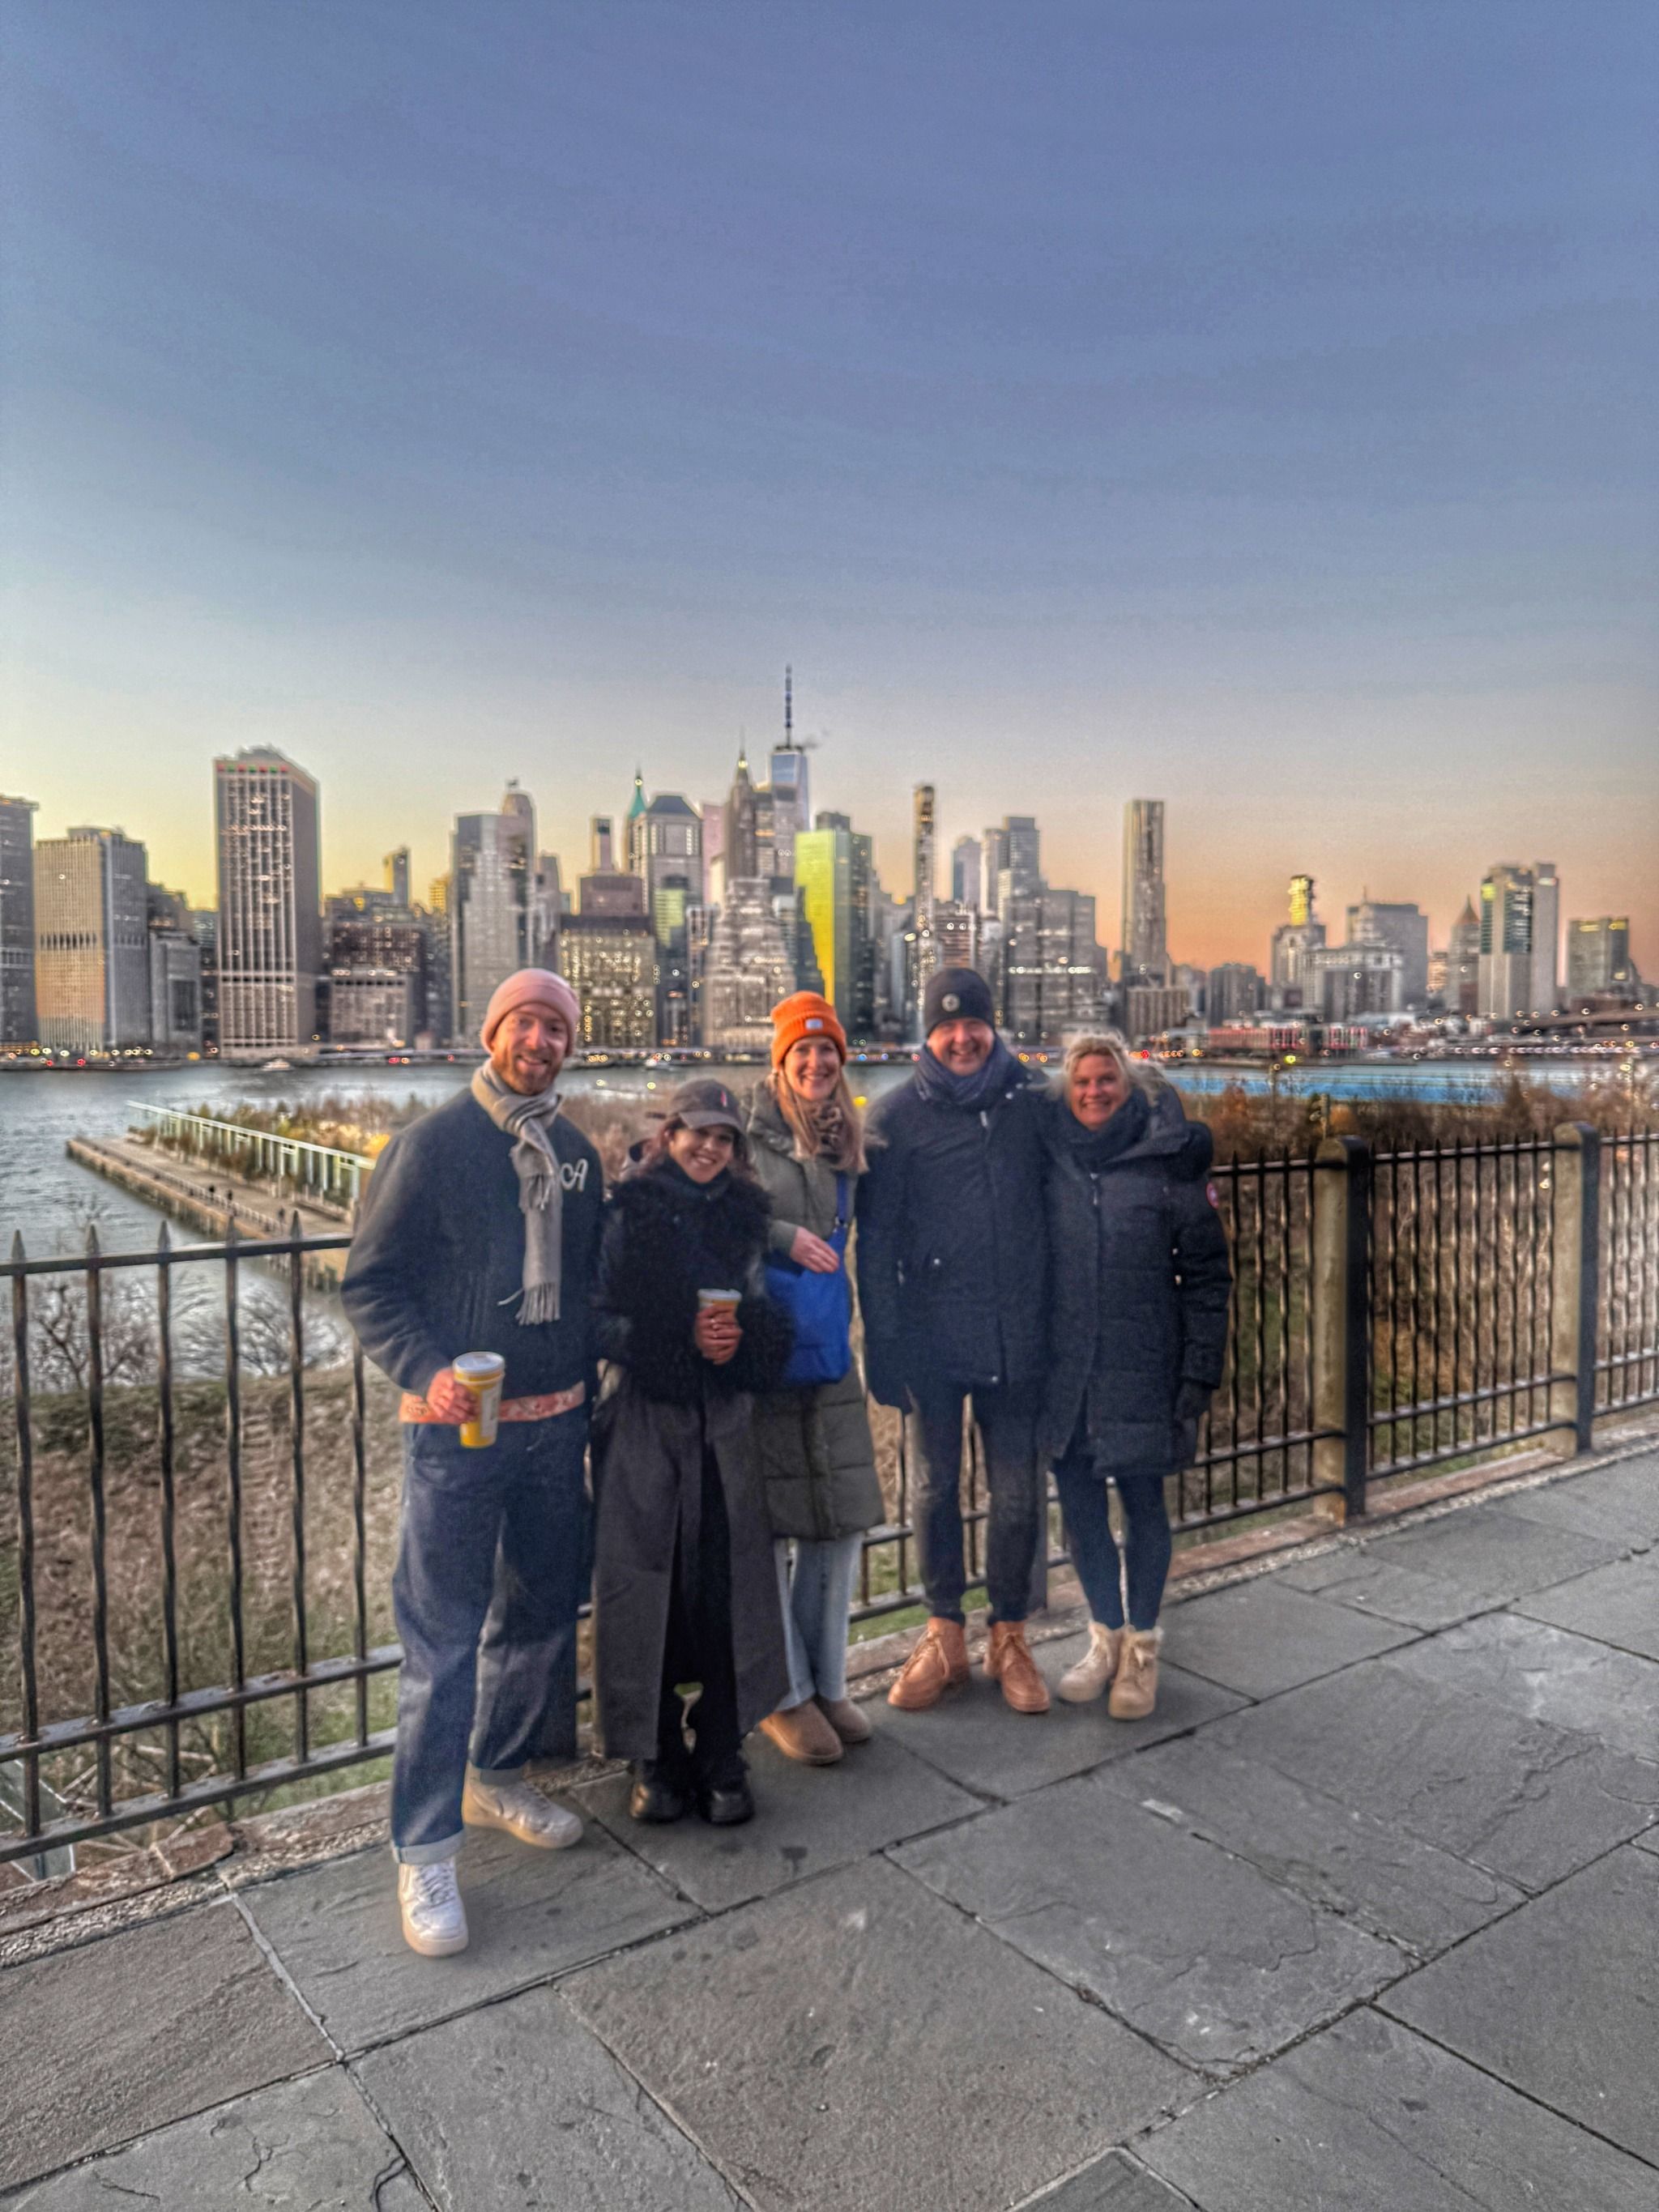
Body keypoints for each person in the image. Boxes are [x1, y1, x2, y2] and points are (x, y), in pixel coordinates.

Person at [341, 970, 601, 1958]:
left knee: (537, 1614)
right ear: (493, 1031)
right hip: (455, 1435)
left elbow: (591, 1283)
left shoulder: (576, 1156)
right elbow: (370, 1285)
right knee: (443, 1639)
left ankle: (495, 1777)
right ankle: (424, 1845)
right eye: (525, 1022)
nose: (541, 1040)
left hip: (554, 1429)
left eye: (556, 1027)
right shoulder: (430, 1146)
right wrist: (425, 1369)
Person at [591, 1079, 793, 1826]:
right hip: (649, 1416)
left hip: (726, 1421)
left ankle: (719, 1745)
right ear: (669, 1133)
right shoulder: (628, 1213)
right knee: (650, 1585)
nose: (708, 1147)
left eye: (723, 1138)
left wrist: (744, 1341)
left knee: (726, 1587)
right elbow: (599, 1319)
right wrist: (675, 1343)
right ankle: (654, 1755)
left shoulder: (744, 1216)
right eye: (696, 1132)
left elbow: (762, 1309)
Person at [857, 966, 1053, 1715]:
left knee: (1014, 1494)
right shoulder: (896, 1116)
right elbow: (874, 1246)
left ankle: (1008, 1636)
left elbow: (1100, 1140)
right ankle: (943, 1633)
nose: (962, 1037)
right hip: (931, 1338)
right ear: (927, 1036)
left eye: (974, 1024)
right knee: (934, 1488)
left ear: (992, 1027)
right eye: (947, 1027)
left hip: (1018, 1332)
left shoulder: (1032, 1104)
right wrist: (884, 1344)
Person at [1040, 1034, 1232, 1719]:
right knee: (1083, 1514)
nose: (1094, 1091)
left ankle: (1142, 1647)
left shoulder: (1167, 1166)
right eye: (1082, 1081)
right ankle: (1104, 1636)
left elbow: (1208, 1278)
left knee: (1144, 1507)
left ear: (1127, 1086)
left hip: (1143, 1368)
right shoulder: (1052, 1161)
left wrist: (1198, 1372)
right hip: (1067, 1374)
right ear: (1068, 1090)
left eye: (1106, 1080)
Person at [748, 993, 884, 1765]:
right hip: (765, 1353)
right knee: (770, 1525)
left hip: (828, 1349)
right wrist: (781, 1237)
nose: (815, 1062)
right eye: (801, 1051)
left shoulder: (848, 1141)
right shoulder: (745, 1133)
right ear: (780, 1060)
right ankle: (784, 1694)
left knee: (838, 1517)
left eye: (827, 1050)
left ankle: (828, 1681)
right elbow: (710, 1214)